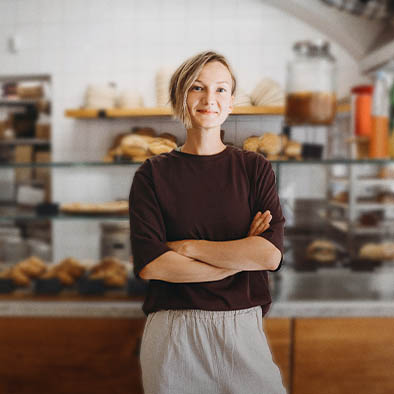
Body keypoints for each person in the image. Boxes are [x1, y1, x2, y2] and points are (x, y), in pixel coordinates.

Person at [128, 50, 286, 394]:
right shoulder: (152, 174)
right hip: (173, 333)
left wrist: (188, 247)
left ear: (230, 102)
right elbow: (153, 265)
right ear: (179, 97)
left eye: (221, 90)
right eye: (197, 88)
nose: (209, 99)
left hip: (242, 328)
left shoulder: (254, 168)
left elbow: (269, 256)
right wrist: (238, 256)